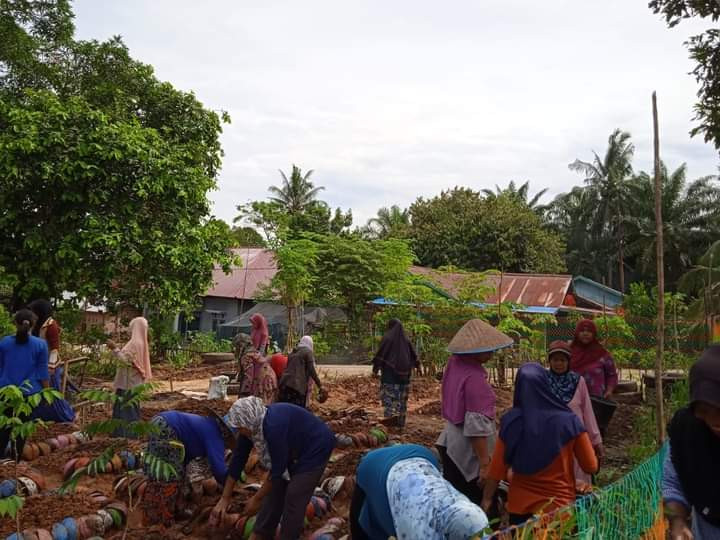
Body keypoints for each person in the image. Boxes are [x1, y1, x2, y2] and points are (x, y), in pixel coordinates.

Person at [482, 363, 598, 527]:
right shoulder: (569, 421)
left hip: (520, 513)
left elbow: (496, 470)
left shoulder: (512, 422)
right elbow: (591, 466)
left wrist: (486, 499)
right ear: (546, 384)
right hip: (559, 510)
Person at [210, 396, 335, 540]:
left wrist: (256, 499)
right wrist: (224, 498)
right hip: (292, 450)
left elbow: (278, 471)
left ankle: (287, 536)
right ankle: (261, 533)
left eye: (239, 427)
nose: (238, 430)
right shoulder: (250, 428)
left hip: (316, 447)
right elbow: (237, 461)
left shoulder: (273, 426)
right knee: (275, 492)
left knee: (295, 494)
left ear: (247, 421)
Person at [436, 319, 513, 506]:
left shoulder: (455, 364)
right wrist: (485, 465)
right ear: (475, 351)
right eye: (487, 349)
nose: (492, 353)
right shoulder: (475, 379)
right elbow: (476, 427)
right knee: (476, 504)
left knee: (454, 500)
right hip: (467, 449)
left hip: (449, 439)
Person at [350, 444, 489, 540]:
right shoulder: (420, 532)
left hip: (421, 455)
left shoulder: (476, 521)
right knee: (367, 525)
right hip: (375, 467)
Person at [141, 408, 243, 526]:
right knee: (168, 476)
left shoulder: (209, 425)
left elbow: (186, 457)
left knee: (170, 473)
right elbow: (219, 470)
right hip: (166, 427)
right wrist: (230, 486)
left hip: (161, 422)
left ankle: (175, 510)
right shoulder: (215, 435)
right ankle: (161, 520)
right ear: (227, 433)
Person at [663, 345, 720, 539]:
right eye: (704, 409)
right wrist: (677, 521)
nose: (714, 421)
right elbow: (673, 483)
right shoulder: (687, 432)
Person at [546, 340, 602, 491]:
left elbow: (587, 412)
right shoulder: (543, 381)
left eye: (562, 360)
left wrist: (595, 440)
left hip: (576, 439)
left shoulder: (578, 381)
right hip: (551, 439)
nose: (559, 364)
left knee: (579, 481)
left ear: (568, 362)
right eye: (555, 360)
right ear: (549, 361)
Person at [0, 309, 49, 460]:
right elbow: (42, 373)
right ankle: (15, 461)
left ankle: (1, 461)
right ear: (34, 325)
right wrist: (47, 393)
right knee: (22, 430)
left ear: (15, 323)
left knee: (3, 428)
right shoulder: (40, 345)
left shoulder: (4, 343)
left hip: (5, 392)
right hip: (29, 395)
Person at [27, 299, 75, 423]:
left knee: (51, 393)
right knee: (37, 392)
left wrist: (51, 367)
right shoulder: (36, 324)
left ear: (40, 312)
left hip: (49, 364)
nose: (32, 314)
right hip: (36, 363)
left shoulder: (51, 325)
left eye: (34, 311)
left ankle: (63, 416)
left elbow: (54, 349)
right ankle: (39, 417)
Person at [108, 316, 152, 437]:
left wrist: (115, 349)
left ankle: (124, 434)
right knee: (132, 408)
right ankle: (131, 433)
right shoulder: (142, 343)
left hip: (128, 382)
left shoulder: (134, 343)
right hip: (135, 383)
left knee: (125, 409)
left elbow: (126, 362)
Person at [372, 319, 419, 429]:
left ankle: (390, 426)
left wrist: (375, 369)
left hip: (390, 377)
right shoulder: (406, 340)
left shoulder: (387, 338)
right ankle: (400, 425)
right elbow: (414, 357)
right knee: (402, 403)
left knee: (390, 402)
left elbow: (381, 354)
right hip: (404, 379)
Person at [570, 319, 618, 399]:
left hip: (597, 401)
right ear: (577, 333)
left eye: (589, 331)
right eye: (582, 331)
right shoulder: (568, 353)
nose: (585, 333)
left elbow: (612, 375)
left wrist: (609, 391)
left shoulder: (603, 355)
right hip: (572, 400)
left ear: (594, 334)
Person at [278, 336, 327, 408]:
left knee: (285, 410)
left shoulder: (292, 352)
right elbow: (311, 370)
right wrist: (320, 385)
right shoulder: (308, 352)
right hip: (296, 388)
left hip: (284, 384)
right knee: (296, 412)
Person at [234, 333, 277, 405]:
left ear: (241, 345)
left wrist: (243, 396)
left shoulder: (247, 356)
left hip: (262, 382)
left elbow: (248, 377)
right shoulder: (255, 352)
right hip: (269, 379)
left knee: (259, 406)